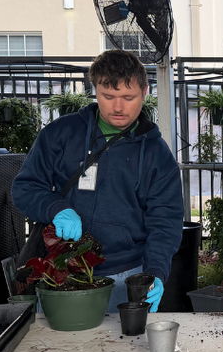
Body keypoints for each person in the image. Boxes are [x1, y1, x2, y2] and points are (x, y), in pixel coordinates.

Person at [11, 49, 183, 313]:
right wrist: (57, 209)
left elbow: (165, 220)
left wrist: (156, 272)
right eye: (108, 96)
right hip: (61, 273)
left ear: (145, 92)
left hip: (126, 276)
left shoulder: (156, 154)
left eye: (128, 97)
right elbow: (25, 188)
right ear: (95, 91)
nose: (118, 107)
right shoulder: (62, 134)